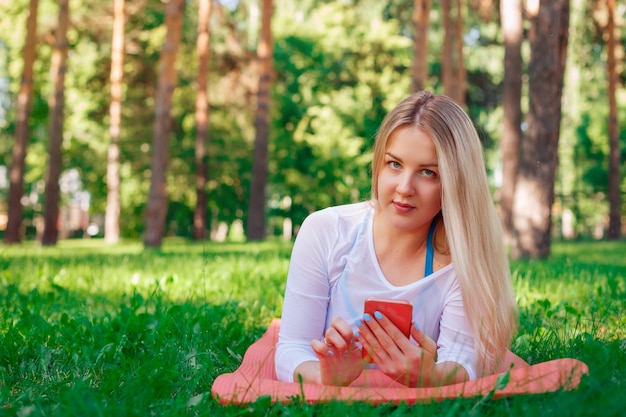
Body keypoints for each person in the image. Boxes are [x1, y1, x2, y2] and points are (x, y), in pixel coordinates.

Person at [275, 91, 518, 388]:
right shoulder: (326, 231)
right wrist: (326, 377)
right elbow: (291, 349)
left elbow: (463, 360)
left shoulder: (462, 260)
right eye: (394, 164)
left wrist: (432, 377)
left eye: (428, 172)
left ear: (456, 184)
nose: (404, 188)